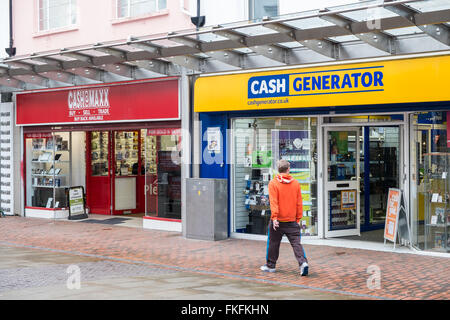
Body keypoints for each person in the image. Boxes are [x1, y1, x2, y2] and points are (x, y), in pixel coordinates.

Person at [261, 159, 309, 276]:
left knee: (273, 242)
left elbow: (274, 202)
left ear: (278, 169)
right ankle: (302, 263)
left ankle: (270, 265)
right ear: (288, 169)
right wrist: (298, 219)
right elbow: (299, 202)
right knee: (296, 243)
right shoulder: (296, 183)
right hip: (292, 220)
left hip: (278, 220)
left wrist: (275, 218)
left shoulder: (273, 183)